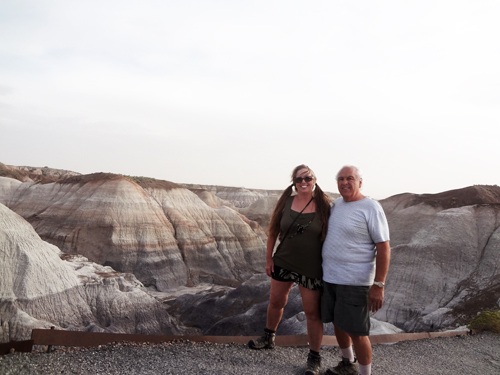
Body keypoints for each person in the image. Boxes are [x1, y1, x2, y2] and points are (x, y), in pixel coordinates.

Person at [248, 164, 332, 375]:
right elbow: (272, 232)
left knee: (313, 313)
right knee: (276, 302)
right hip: (283, 261)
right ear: (293, 183)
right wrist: (269, 260)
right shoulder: (286, 202)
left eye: (307, 178)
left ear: (314, 180)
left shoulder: (325, 205)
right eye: (299, 179)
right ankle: (268, 338)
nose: (303, 182)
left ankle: (314, 357)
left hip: (311, 267)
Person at [321, 165, 391, 375]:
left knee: (358, 331)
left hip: (355, 282)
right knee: (338, 323)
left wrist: (378, 284)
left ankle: (365, 373)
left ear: (360, 182)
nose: (344, 183)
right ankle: (347, 363)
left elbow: (384, 247)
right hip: (330, 277)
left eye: (349, 178)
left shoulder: (371, 207)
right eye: (341, 179)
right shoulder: (335, 206)